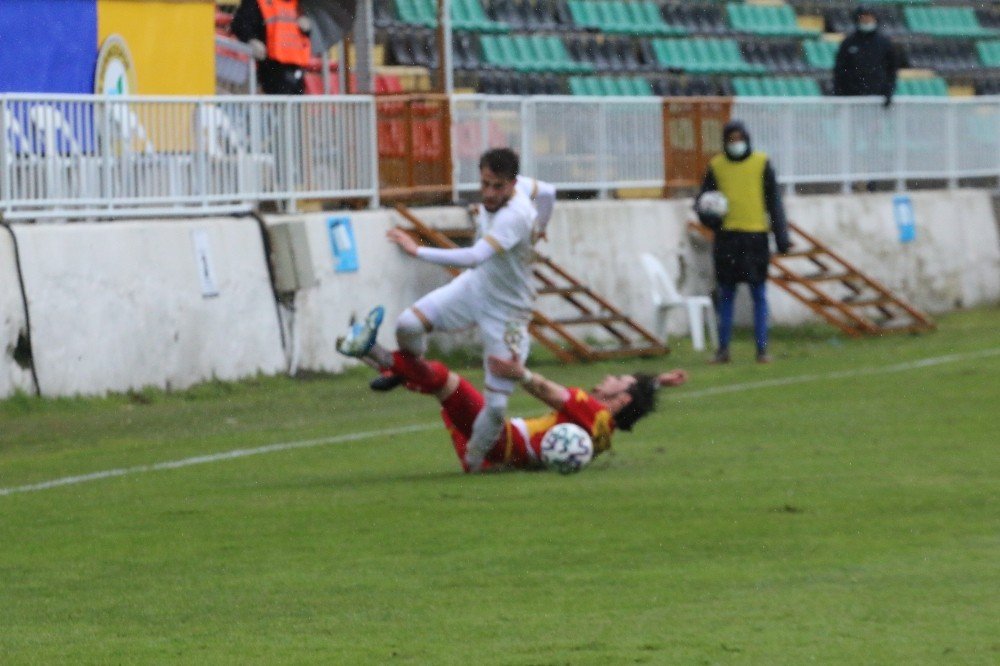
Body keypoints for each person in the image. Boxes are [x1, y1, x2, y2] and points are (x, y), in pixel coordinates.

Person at [350, 148, 538, 472]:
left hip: (508, 312)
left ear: (513, 184)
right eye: (486, 184)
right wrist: (544, 222)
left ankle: (476, 461)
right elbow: (548, 192)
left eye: (499, 187)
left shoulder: (515, 215)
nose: (490, 193)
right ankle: (406, 368)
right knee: (408, 324)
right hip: (476, 287)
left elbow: (474, 256)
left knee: (495, 407)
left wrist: (416, 249)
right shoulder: (528, 188)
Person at [336, 314, 688, 473]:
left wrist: (521, 373)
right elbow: (625, 399)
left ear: (622, 399)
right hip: (492, 458)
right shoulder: (603, 433)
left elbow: (551, 392)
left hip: (496, 440)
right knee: (441, 390)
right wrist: (657, 382)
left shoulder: (592, 408)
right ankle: (380, 361)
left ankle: (378, 354)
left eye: (618, 379)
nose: (609, 376)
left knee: (445, 380)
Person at [697, 119, 791, 364]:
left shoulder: (761, 163)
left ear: (747, 139)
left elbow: (774, 203)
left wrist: (782, 238)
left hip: (755, 237)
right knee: (726, 293)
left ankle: (762, 350)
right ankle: (723, 350)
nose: (735, 144)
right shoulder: (716, 166)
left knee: (758, 293)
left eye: (739, 139)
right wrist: (708, 219)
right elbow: (703, 202)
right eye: (731, 140)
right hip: (727, 238)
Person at [232, 0, 313, 95]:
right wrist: (251, 40)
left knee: (294, 105)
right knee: (278, 103)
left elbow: (306, 33)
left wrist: (308, 27)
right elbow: (240, 24)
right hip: (271, 67)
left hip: (296, 67)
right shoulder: (255, 2)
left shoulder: (301, 4)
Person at [833, 5, 898, 108]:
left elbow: (891, 70)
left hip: (877, 100)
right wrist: (839, 94)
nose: (867, 20)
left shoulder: (884, 44)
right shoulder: (848, 43)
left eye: (869, 16)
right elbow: (839, 70)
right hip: (852, 100)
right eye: (863, 17)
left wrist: (888, 92)